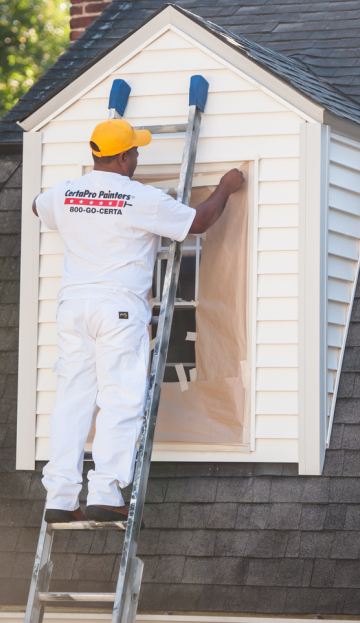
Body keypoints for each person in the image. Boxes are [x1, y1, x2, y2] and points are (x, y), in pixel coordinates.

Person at [33, 118, 245, 523]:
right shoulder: (139, 198)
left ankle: (59, 498)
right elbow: (197, 223)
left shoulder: (66, 191)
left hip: (73, 309)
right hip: (118, 310)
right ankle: (105, 492)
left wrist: (79, 210)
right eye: (135, 151)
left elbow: (36, 206)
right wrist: (224, 189)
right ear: (126, 156)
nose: (137, 157)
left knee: (72, 401)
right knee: (120, 399)